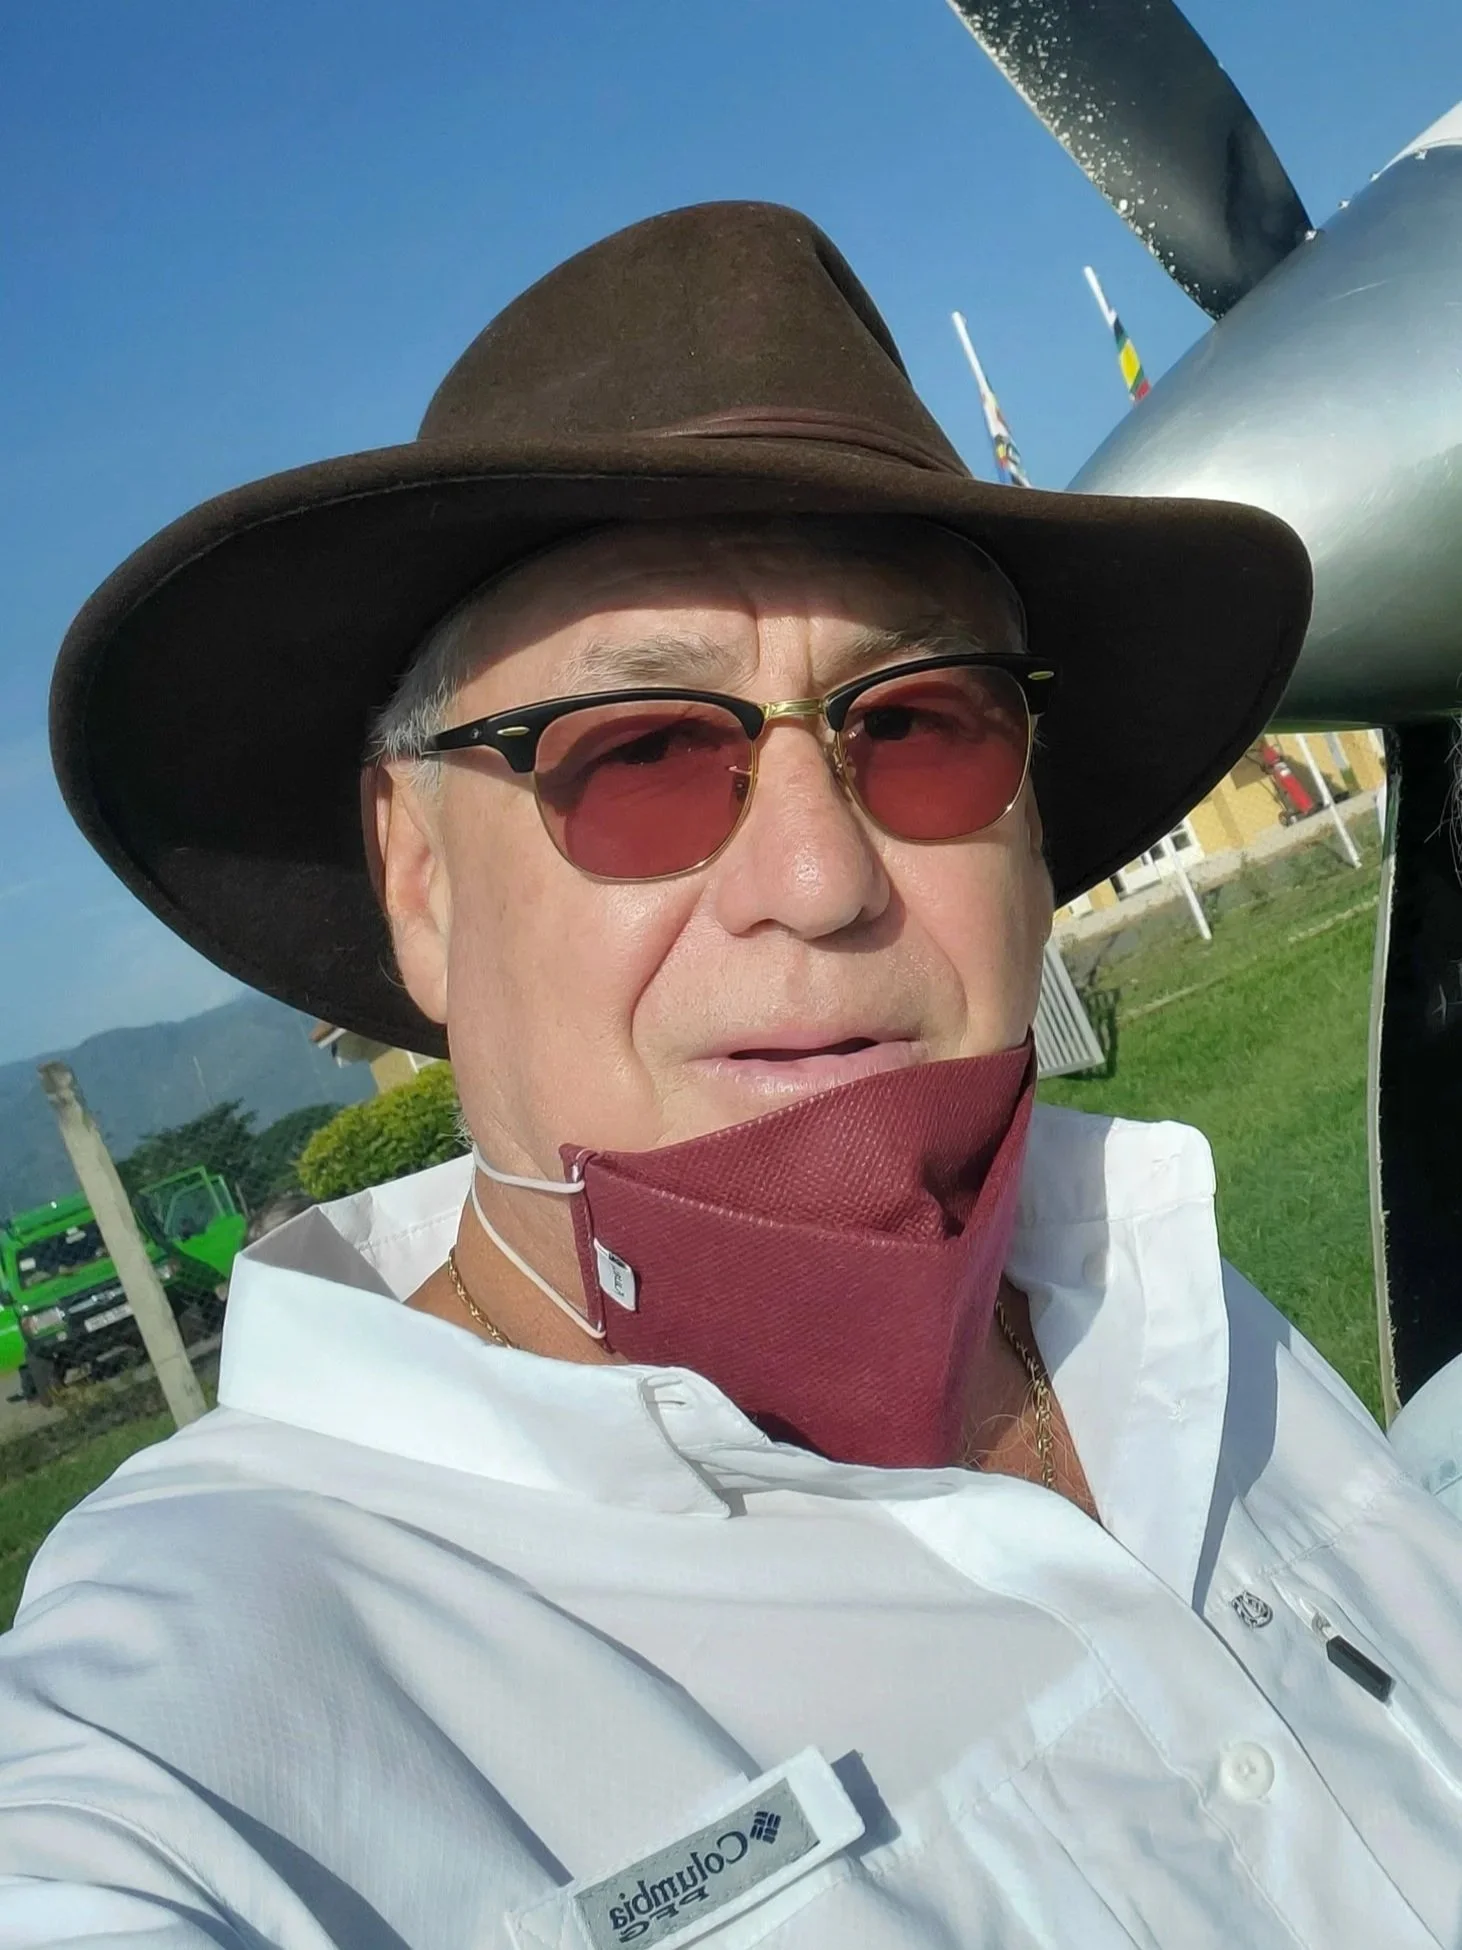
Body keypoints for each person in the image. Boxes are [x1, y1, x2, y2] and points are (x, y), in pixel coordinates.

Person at [6, 202, 1461, 1948]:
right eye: (638, 754)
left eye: (919, 723)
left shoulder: (1145, 1286)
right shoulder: (207, 1703)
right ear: (421, 875)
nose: (821, 877)